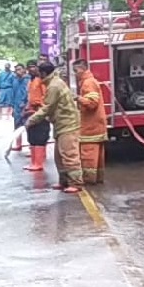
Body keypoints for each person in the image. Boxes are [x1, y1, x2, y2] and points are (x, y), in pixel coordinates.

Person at [25, 61, 83, 193]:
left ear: (44, 73)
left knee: (69, 154)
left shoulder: (54, 86)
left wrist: (31, 120)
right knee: (59, 156)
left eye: (40, 73)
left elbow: (47, 107)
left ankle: (76, 183)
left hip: (68, 123)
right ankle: (64, 181)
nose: (39, 76)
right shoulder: (54, 82)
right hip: (60, 123)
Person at [73, 59, 108, 184]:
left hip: (90, 127)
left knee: (88, 156)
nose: (74, 74)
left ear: (82, 69)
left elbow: (92, 103)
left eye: (75, 71)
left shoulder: (88, 83)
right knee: (97, 156)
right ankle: (97, 178)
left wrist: (78, 98)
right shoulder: (89, 81)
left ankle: (88, 179)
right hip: (96, 125)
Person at [22, 60, 51, 171]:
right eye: (29, 67)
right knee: (32, 137)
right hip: (31, 112)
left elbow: (46, 97)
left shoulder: (42, 81)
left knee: (39, 137)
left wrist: (41, 109)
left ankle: (38, 163)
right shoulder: (31, 81)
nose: (31, 69)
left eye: (33, 67)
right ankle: (33, 162)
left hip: (40, 112)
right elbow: (30, 96)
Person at [10, 63, 30, 152]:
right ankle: (18, 144)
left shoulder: (28, 80)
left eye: (19, 69)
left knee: (29, 126)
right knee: (17, 126)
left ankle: (31, 146)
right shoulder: (14, 80)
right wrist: (12, 106)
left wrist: (25, 103)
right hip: (16, 106)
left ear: (24, 69)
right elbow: (13, 93)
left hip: (26, 106)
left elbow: (29, 93)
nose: (18, 71)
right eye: (16, 70)